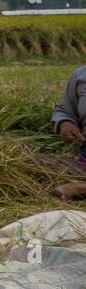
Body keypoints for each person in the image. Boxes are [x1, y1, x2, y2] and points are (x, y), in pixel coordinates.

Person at [51, 64, 86, 199]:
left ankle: (79, 190)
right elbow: (64, 111)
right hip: (83, 161)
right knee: (34, 168)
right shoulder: (81, 75)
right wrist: (65, 124)